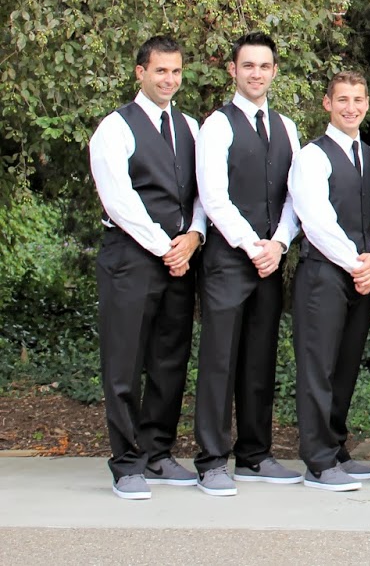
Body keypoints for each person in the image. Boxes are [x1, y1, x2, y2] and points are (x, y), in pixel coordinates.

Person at [88, 36, 206, 500]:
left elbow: (203, 192)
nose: (169, 80)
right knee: (125, 361)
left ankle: (158, 452)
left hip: (180, 256)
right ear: (140, 72)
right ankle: (126, 463)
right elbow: (119, 201)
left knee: (169, 359)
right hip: (132, 257)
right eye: (160, 71)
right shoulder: (115, 128)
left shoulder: (191, 128)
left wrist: (194, 236)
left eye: (175, 71)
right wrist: (165, 247)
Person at [194, 30, 302, 494]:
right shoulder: (217, 126)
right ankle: (211, 460)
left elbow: (295, 196)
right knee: (219, 360)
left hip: (270, 261)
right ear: (233, 70)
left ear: (274, 71)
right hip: (228, 260)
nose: (256, 74)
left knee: (260, 359)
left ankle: (254, 455)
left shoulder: (287, 127)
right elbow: (213, 196)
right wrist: (251, 245)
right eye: (248, 66)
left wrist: (278, 243)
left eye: (264, 66)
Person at [289, 70, 370, 491]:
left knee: (346, 367)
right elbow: (316, 221)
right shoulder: (311, 156)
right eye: (343, 99)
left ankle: (335, 449)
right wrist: (357, 265)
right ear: (327, 104)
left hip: (361, 274)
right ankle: (317, 461)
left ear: (367, 104)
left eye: (358, 99)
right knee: (319, 368)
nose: (351, 107)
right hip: (324, 274)